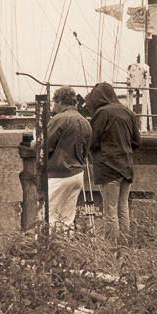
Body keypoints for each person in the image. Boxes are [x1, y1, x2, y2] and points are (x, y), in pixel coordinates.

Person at [84, 82, 141, 244]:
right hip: (127, 167)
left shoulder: (102, 113)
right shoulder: (128, 112)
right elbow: (137, 142)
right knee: (123, 209)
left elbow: (92, 141)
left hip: (108, 168)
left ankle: (111, 249)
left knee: (110, 211)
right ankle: (124, 246)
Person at [41, 86, 92, 234]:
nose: (53, 106)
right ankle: (67, 250)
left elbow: (45, 145)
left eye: (53, 102)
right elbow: (86, 151)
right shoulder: (85, 122)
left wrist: (32, 144)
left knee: (48, 215)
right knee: (67, 219)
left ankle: (49, 250)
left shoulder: (59, 119)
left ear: (60, 102)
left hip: (59, 174)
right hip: (77, 174)